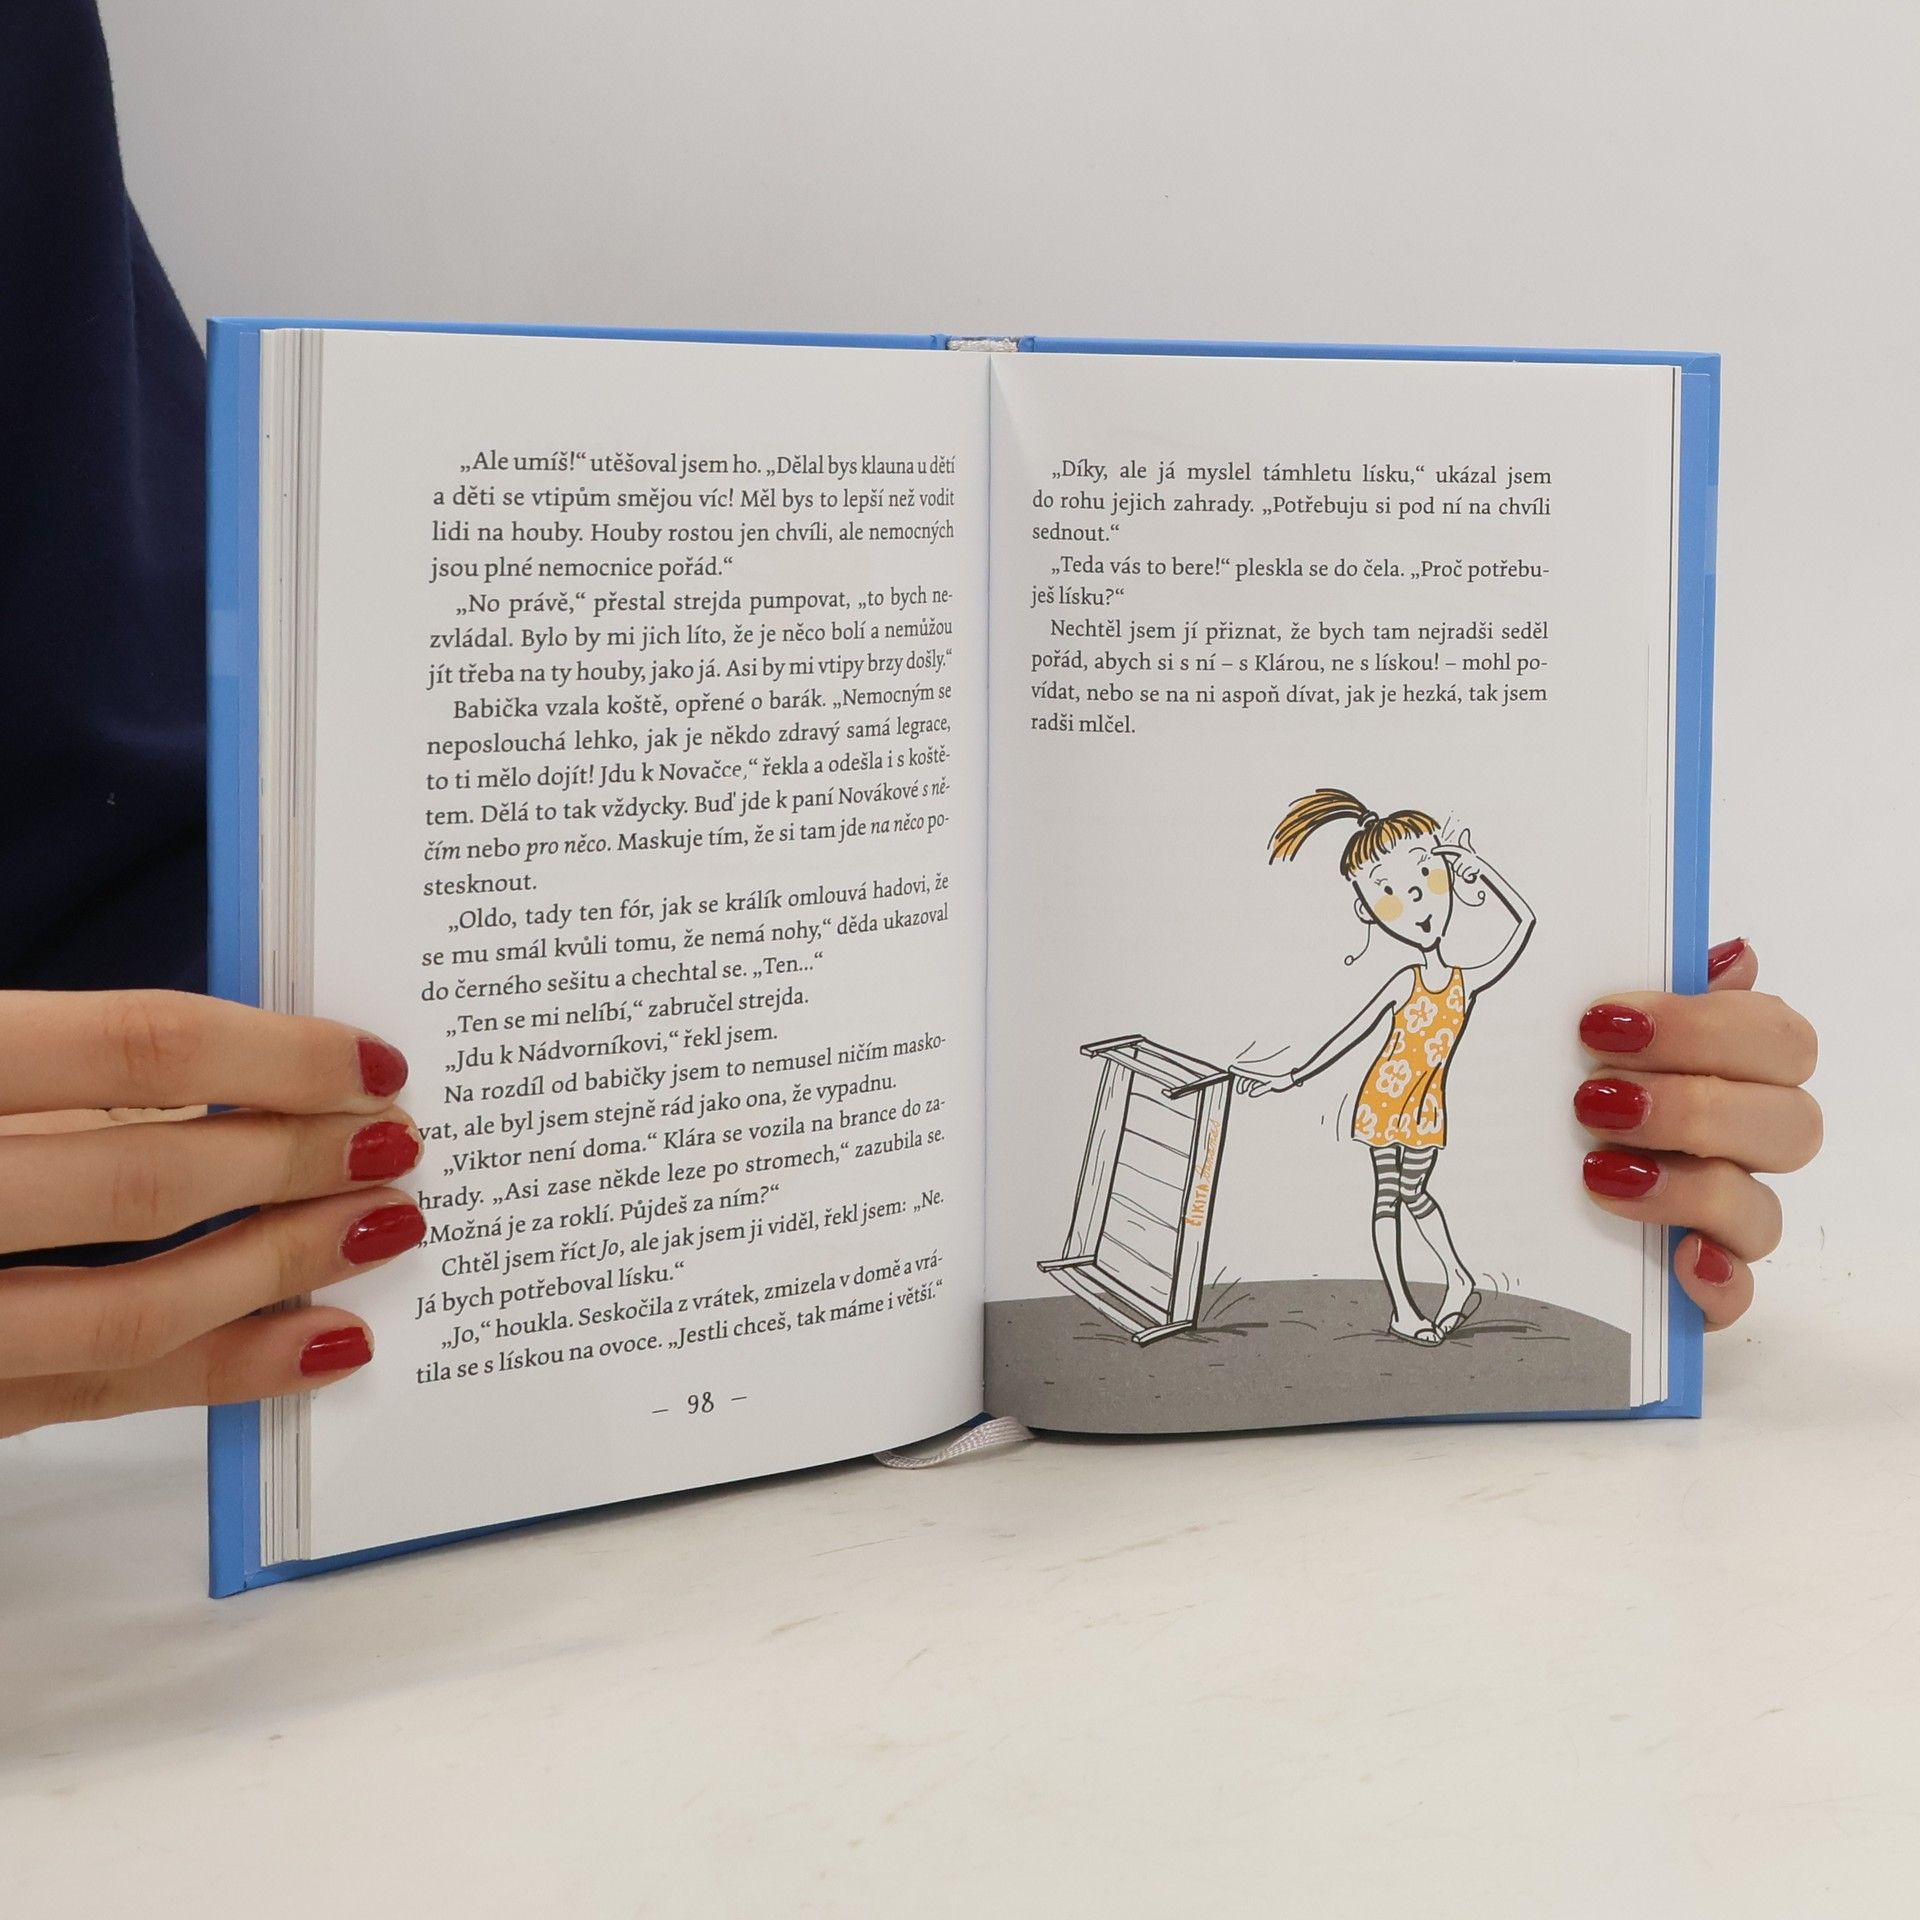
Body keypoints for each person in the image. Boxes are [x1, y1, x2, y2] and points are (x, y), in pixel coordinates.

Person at [0, 3, 1819, 1438]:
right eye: (1397, 889)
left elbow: (155, 835)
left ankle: (1442, 1294)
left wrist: (1594, 1110)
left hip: (279, 1337)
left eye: (1414, 887)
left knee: (1408, 1202)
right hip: (165, 1532)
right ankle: (1426, 1289)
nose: (1409, 904)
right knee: (1396, 1202)